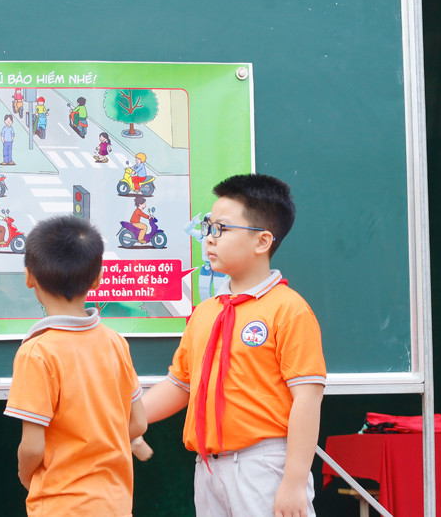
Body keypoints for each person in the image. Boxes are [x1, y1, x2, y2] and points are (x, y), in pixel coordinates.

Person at [138, 174, 326, 517]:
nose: (209, 239)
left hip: (262, 465)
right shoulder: (205, 312)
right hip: (208, 467)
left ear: (262, 241)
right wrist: (124, 417)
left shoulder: (288, 309)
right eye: (208, 227)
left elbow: (307, 398)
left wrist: (294, 482)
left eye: (221, 229)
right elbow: (180, 385)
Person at [5, 214, 148, 516]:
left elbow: (32, 447)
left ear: (29, 277)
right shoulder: (115, 342)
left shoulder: (37, 353)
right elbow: (138, 423)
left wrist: (25, 475)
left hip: (61, 503)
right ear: (97, 279)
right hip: (115, 502)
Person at [185, 211, 229, 303]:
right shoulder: (203, 235)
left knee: (219, 290)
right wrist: (193, 223)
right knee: (203, 289)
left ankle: (221, 307)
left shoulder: (222, 236)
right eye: (207, 223)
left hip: (220, 265)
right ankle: (206, 307)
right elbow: (187, 230)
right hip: (207, 265)